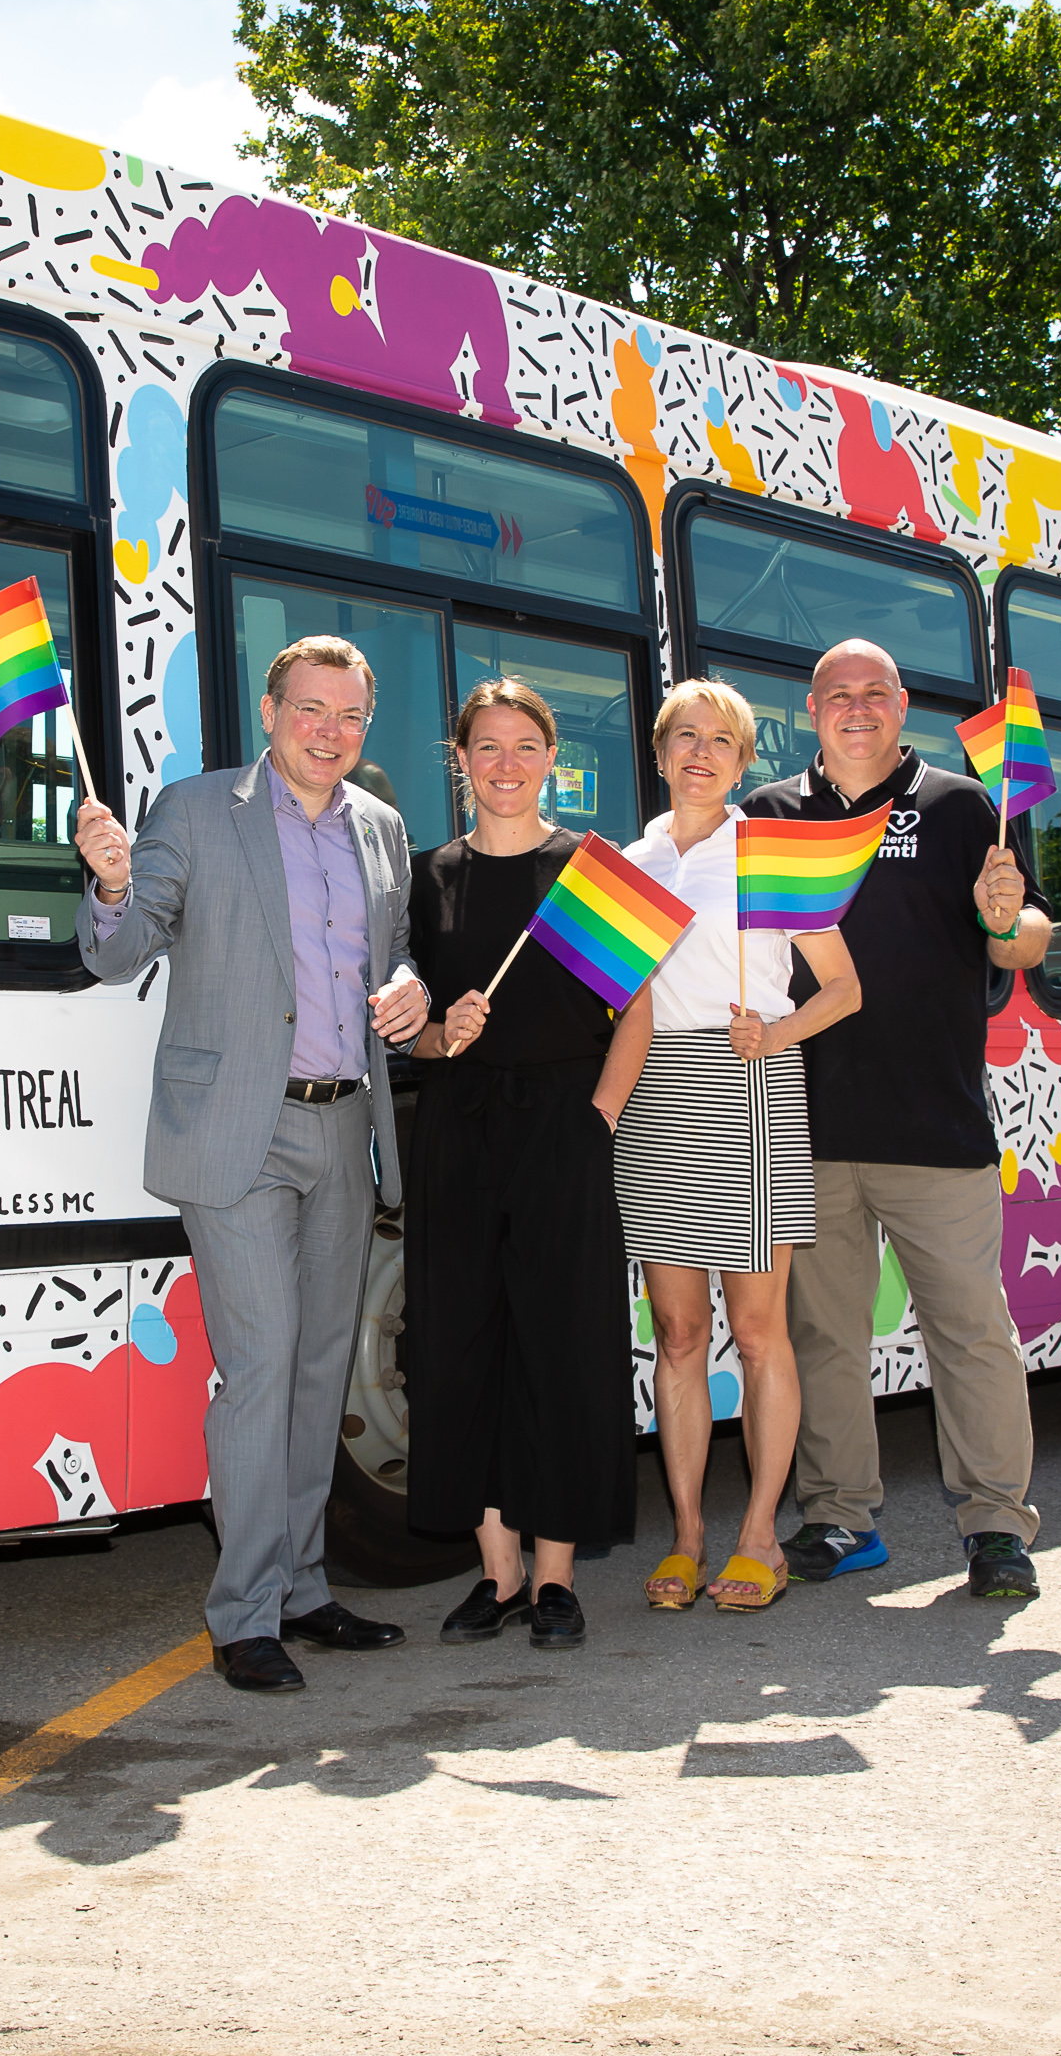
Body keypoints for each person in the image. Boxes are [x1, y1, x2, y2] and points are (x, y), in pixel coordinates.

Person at [75, 638, 429, 1693]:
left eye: (351, 714)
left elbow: (394, 946)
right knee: (263, 1366)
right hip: (235, 1130)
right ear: (269, 710)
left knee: (322, 1373)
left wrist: (406, 989)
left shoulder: (381, 827)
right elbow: (117, 950)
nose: (330, 731)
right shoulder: (191, 811)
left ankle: (305, 1587)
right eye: (311, 709)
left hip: (344, 1126)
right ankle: (242, 1614)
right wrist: (106, 884)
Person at [744, 639, 1056, 1602]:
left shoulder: (965, 806)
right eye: (839, 693)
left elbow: (1029, 935)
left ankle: (997, 1526)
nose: (857, 707)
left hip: (938, 1129)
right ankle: (840, 1516)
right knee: (825, 1335)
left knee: (969, 1330)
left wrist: (1006, 916)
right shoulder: (769, 814)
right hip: (806, 1126)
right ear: (810, 708)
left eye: (875, 692)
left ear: (903, 705)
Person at [403, 680, 648, 1651]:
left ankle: (553, 1576)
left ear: (550, 760)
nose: (503, 763)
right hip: (456, 1126)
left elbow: (634, 1013)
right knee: (458, 1346)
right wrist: (434, 1032)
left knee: (561, 1345)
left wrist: (597, 1116)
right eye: (485, 747)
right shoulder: (426, 878)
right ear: (458, 761)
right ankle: (494, 1572)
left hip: (563, 1123)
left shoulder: (588, 871)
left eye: (522, 746)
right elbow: (400, 1022)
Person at [612, 679, 859, 1614]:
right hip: (658, 1093)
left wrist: (777, 1031)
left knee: (756, 1333)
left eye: (722, 740)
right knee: (677, 1334)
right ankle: (686, 1536)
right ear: (661, 748)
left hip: (749, 1081)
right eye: (685, 736)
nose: (701, 753)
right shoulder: (630, 859)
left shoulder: (774, 855)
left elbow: (844, 990)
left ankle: (761, 1535)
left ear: (745, 760)